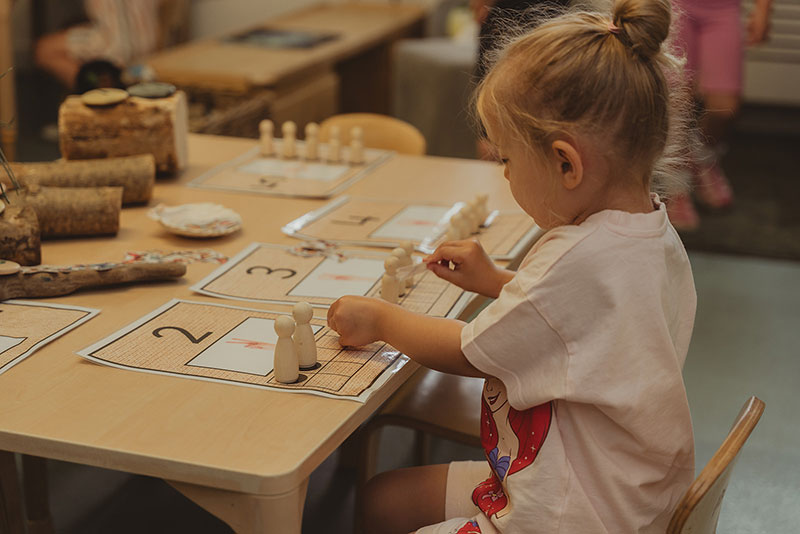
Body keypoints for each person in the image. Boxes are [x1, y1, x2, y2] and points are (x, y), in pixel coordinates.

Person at [327, 0, 697, 532]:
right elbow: (588, 323)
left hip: (570, 512)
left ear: (566, 164)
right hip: (618, 485)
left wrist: (382, 320)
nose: (504, 176)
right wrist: (497, 281)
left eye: (507, 159)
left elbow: (471, 351)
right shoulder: (651, 233)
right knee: (385, 499)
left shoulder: (576, 255)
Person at [666, 0, 774, 229]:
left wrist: (763, 9)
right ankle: (675, 183)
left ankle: (701, 159)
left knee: (725, 107)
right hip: (676, 6)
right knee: (677, 101)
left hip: (723, 8)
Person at [34, 0, 160, 92]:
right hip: (147, 37)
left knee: (44, 50)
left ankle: (95, 91)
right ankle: (104, 83)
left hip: (115, 41)